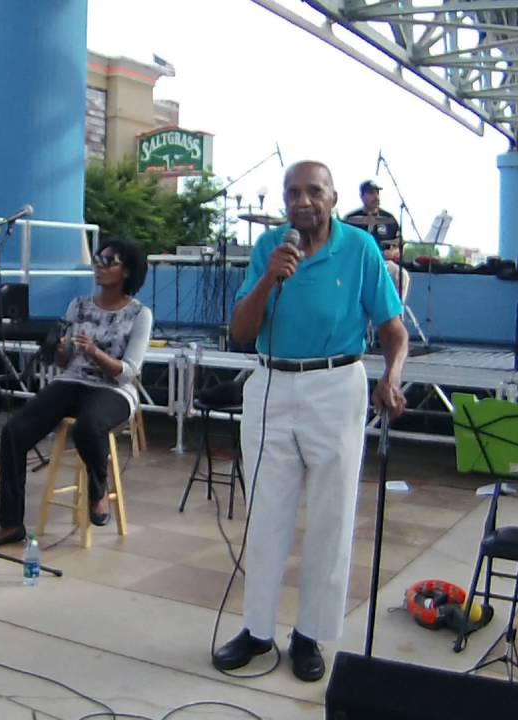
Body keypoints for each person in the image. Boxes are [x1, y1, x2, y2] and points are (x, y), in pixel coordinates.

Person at [215, 161, 408, 682]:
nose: (303, 201)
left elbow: (394, 330)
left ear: (333, 197)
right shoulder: (269, 249)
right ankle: (257, 632)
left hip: (335, 384)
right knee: (266, 512)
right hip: (272, 383)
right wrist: (269, 278)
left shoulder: (361, 249)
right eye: (293, 192)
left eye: (314, 191)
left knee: (331, 516)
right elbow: (240, 329)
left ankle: (310, 634)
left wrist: (390, 377)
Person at [0, 237, 152, 551]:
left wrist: (95, 353)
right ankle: (11, 523)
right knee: (15, 431)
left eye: (109, 261)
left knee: (88, 426)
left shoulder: (139, 314)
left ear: (126, 271)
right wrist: (62, 351)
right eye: (98, 258)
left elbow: (129, 371)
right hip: (72, 380)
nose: (99, 265)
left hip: (115, 389)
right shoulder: (78, 305)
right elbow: (64, 361)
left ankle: (98, 489)